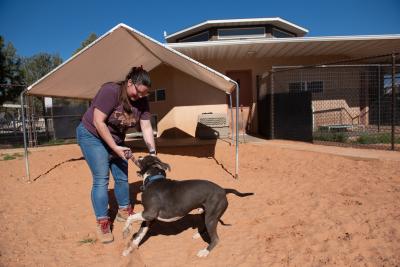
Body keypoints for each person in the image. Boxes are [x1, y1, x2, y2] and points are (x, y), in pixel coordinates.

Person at [76, 66, 156, 243]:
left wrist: (152, 153)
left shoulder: (142, 100)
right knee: (101, 178)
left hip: (116, 139)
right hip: (92, 135)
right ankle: (103, 222)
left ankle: (123, 210)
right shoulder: (111, 91)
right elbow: (98, 121)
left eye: (144, 94)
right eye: (138, 92)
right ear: (129, 83)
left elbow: (146, 126)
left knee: (121, 176)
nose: (140, 97)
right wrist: (114, 147)